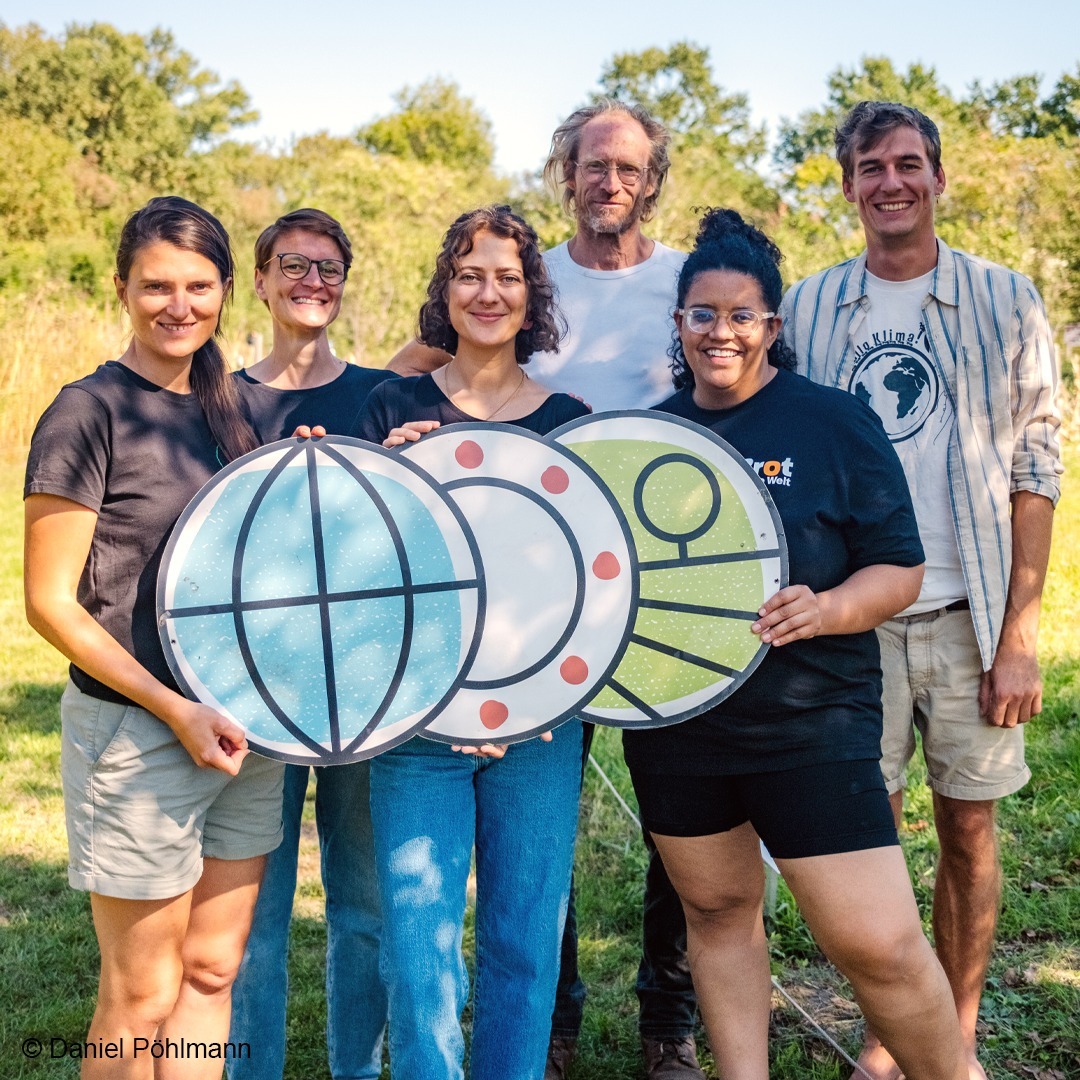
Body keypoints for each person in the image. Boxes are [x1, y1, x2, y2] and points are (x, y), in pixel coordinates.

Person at [389, 99, 703, 1080]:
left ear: (651, 180)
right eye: (593, 164)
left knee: (670, 823)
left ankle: (667, 1018)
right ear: (566, 172)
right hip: (475, 652)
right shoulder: (507, 291)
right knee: (462, 921)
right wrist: (374, 452)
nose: (610, 180)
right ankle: (550, 1027)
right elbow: (399, 397)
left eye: (628, 167)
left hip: (633, 594)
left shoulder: (678, 287)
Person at [623, 207, 969, 1080]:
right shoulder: (650, 438)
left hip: (810, 722)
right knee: (717, 914)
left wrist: (828, 608)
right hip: (679, 728)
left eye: (742, 315)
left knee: (878, 944)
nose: (722, 332)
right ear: (679, 322)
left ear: (772, 325)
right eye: (703, 314)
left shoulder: (833, 423)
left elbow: (899, 568)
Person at [779, 101, 1062, 1080]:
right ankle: (890, 1035)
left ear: (939, 177)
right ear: (848, 185)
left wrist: (1018, 633)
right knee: (868, 834)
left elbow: (1036, 466)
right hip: (854, 618)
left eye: (908, 164)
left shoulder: (1005, 298)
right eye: (871, 167)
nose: (891, 182)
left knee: (968, 829)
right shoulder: (810, 308)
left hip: (966, 615)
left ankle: (959, 1027)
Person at [23, 196, 284, 1080]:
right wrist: (176, 710)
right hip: (140, 735)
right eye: (157, 287)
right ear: (122, 288)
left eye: (199, 286)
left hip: (244, 731)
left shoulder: (239, 409)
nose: (180, 306)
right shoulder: (87, 412)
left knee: (211, 971)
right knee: (140, 996)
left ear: (227, 290)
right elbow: (49, 604)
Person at [353, 204, 590, 1080]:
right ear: (444, 291)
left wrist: (521, 700)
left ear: (532, 296)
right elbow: (362, 573)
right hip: (418, 723)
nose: (488, 293)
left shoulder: (570, 420)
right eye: (470, 275)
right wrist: (386, 475)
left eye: (507, 277)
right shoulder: (393, 405)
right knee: (419, 956)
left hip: (539, 728)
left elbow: (586, 585)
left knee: (525, 948)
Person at [227, 209, 396, 1080]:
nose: (312, 281)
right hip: (253, 683)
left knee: (363, 908)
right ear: (260, 280)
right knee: (250, 916)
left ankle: (355, 1070)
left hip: (362, 680)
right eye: (293, 265)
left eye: (329, 268)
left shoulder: (380, 395)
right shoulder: (218, 400)